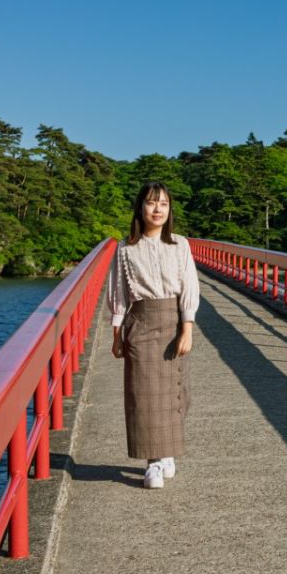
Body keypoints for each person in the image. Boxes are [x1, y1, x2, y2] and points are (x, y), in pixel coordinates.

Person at [107, 181, 200, 488]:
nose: (157, 209)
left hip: (172, 321)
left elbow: (189, 286)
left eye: (163, 204)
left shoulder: (180, 245)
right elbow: (119, 292)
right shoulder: (126, 248)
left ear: (169, 209)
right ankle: (153, 463)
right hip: (140, 322)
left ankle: (167, 452)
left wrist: (187, 327)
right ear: (140, 207)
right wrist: (116, 333)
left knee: (176, 393)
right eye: (151, 202)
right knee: (143, 395)